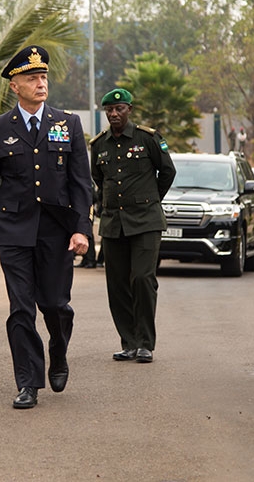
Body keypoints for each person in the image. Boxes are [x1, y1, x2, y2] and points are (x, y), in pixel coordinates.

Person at [0, 45, 93, 409]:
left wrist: (81, 229)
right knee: (21, 309)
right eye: (31, 78)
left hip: (57, 231)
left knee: (56, 305)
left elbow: (81, 183)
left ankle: (58, 350)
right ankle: (28, 382)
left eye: (43, 77)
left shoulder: (67, 123)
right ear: (15, 86)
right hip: (13, 232)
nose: (40, 84)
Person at [89, 88, 176, 363]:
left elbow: (168, 171)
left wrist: (151, 200)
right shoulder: (99, 144)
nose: (114, 114)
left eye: (120, 109)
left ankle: (145, 343)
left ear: (129, 110)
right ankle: (128, 342)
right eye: (110, 111)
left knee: (141, 279)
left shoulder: (147, 138)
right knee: (117, 285)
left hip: (146, 221)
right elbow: (98, 179)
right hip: (114, 224)